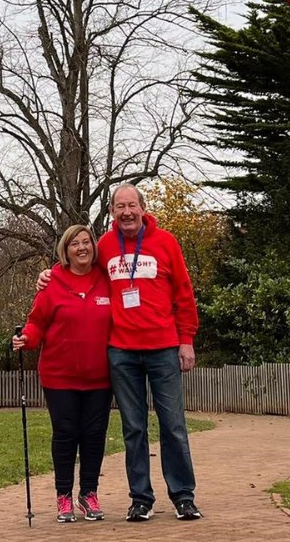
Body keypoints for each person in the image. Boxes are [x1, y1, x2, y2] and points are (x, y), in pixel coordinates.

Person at [38, 184, 202, 522]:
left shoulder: (167, 243)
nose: (126, 212)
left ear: (143, 207)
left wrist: (186, 339)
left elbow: (184, 295)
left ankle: (183, 496)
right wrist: (48, 275)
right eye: (119, 207)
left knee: (173, 426)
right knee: (134, 428)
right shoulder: (105, 247)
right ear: (112, 212)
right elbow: (76, 267)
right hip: (122, 353)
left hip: (163, 349)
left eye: (132, 205)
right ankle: (141, 498)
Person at [13, 225, 112, 523]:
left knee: (94, 436)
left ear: (94, 247)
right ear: (65, 251)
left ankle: (89, 493)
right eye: (75, 244)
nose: (82, 248)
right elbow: (36, 323)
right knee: (66, 434)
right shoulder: (51, 283)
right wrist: (26, 339)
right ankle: (63, 496)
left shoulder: (106, 280)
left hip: (101, 377)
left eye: (87, 242)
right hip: (60, 377)